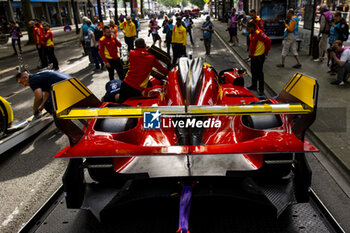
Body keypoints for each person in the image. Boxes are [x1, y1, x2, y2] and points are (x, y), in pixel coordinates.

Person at [118, 38, 169, 103]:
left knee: (120, 105)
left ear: (135, 46)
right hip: (137, 88)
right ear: (145, 45)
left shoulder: (131, 53)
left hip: (126, 84)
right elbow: (161, 69)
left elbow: (138, 52)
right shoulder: (151, 58)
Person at [246, 22, 271, 97]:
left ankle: (261, 90)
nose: (248, 30)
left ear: (252, 27)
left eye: (249, 28)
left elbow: (268, 41)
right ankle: (254, 86)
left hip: (259, 57)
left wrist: (266, 52)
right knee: (253, 71)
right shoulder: (251, 33)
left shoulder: (259, 33)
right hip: (253, 56)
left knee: (259, 74)